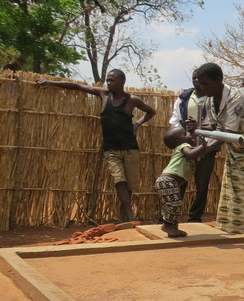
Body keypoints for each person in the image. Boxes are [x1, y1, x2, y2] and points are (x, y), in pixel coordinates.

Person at [37, 70, 155, 222]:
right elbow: (76, 86)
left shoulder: (132, 100)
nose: (109, 83)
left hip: (130, 148)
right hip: (111, 148)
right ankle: (130, 215)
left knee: (129, 185)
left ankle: (122, 218)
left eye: (112, 80)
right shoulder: (104, 95)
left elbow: (151, 111)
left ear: (122, 82)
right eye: (108, 80)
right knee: (119, 180)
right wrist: (50, 82)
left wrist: (137, 123)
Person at [191, 62, 244, 234]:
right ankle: (233, 227)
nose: (202, 88)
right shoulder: (210, 100)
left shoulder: (235, 97)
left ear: (219, 80)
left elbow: (227, 132)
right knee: (233, 191)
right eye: (200, 84)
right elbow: (216, 129)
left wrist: (202, 150)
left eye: (206, 84)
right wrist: (196, 127)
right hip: (235, 149)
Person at [168, 70, 219, 223]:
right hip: (186, 147)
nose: (197, 81)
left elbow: (218, 123)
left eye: (200, 79)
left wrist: (206, 142)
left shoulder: (214, 99)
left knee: (202, 185)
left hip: (207, 147)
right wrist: (183, 132)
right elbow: (174, 120)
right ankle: (170, 216)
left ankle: (195, 217)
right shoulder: (183, 98)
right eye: (194, 78)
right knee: (179, 181)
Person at [155, 127, 209, 237]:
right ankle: (167, 225)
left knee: (174, 205)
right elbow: (191, 154)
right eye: (185, 134)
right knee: (175, 204)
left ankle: (173, 228)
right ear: (179, 141)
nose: (189, 135)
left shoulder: (184, 147)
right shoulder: (183, 146)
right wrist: (204, 146)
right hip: (168, 181)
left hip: (166, 181)